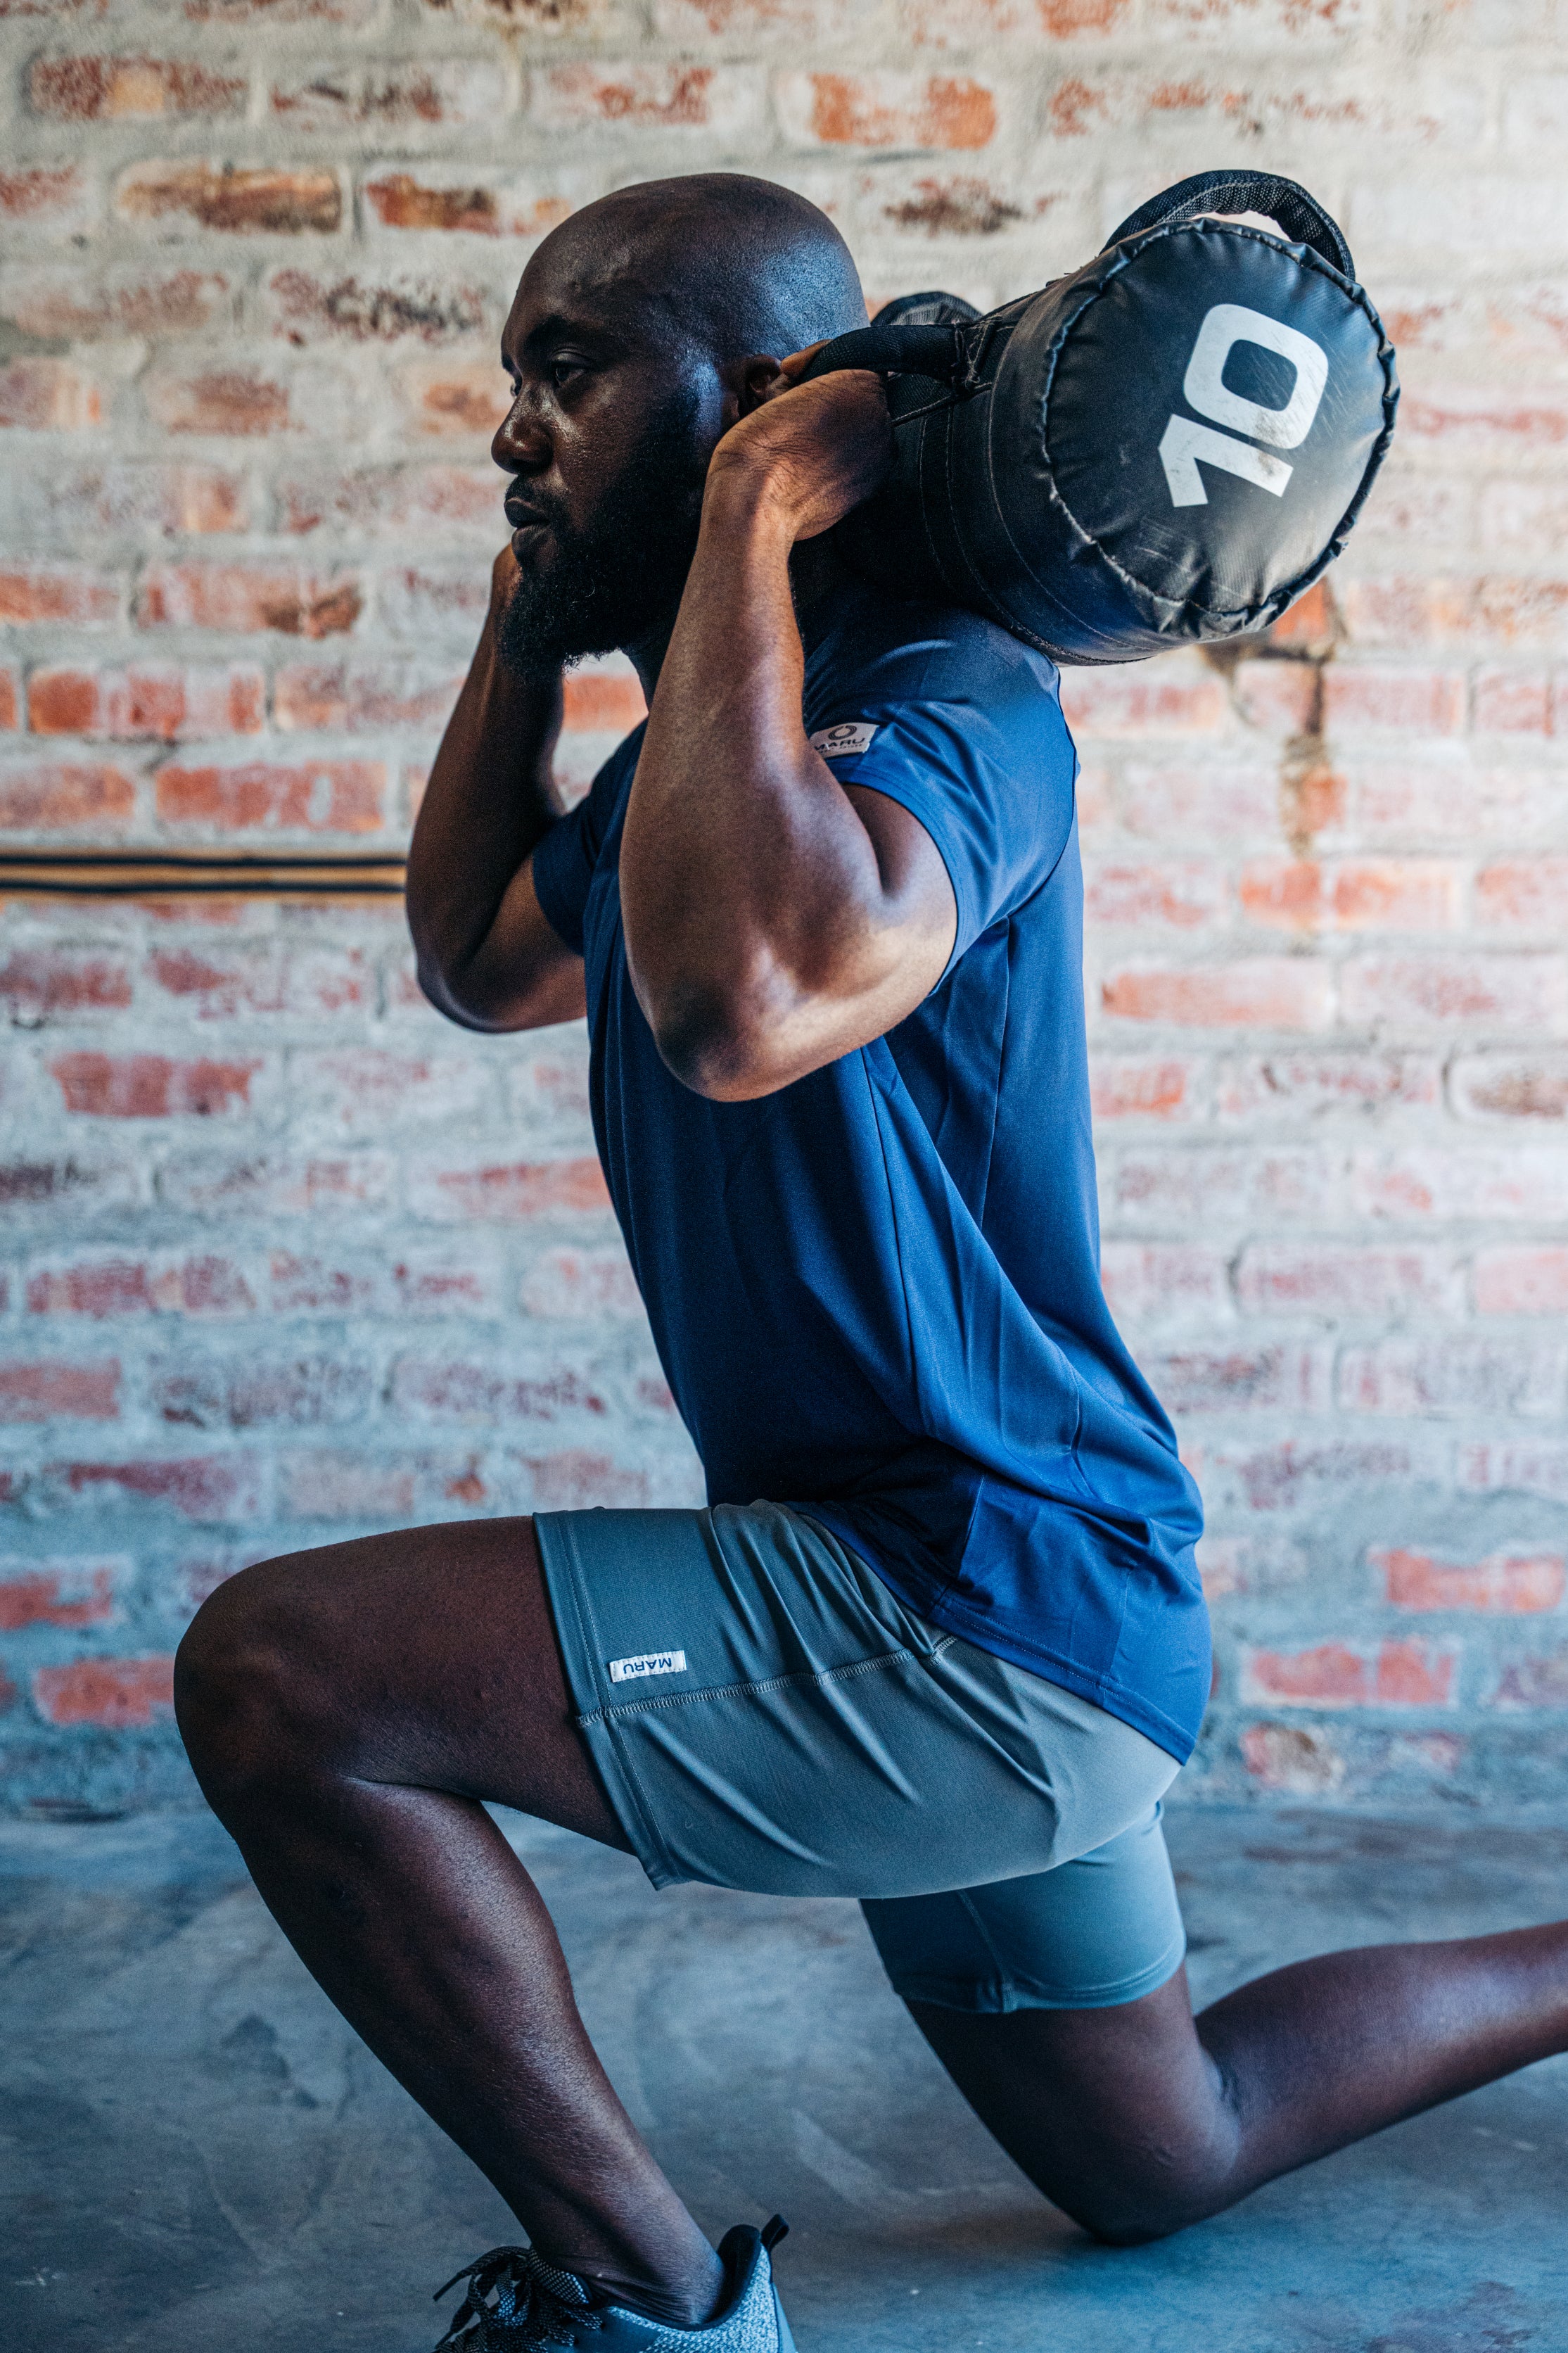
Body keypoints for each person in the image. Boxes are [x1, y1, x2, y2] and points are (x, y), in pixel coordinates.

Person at [174, 174, 1568, 2351]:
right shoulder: (695, 762)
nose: (510, 432)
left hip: (965, 1608)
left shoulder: (959, 697)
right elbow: (473, 957)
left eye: (570, 371)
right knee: (1160, 2149)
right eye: (515, 382)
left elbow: (749, 998)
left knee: (283, 1681)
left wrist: (737, 529)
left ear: (768, 414)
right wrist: (534, 624)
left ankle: (657, 2306)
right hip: (1009, 1598)